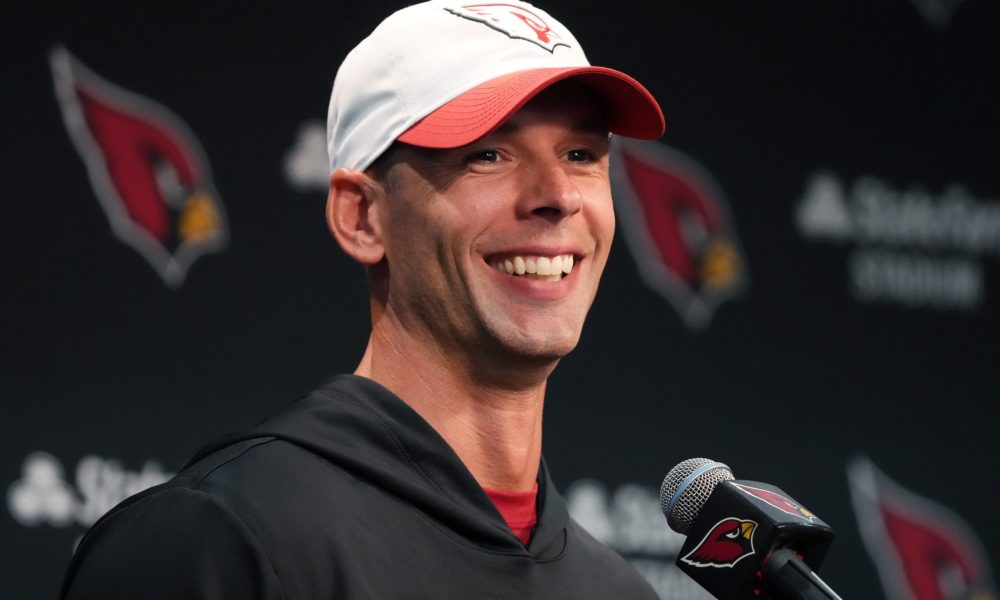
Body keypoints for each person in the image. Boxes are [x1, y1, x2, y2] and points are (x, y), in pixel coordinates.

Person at [61, 1, 665, 597]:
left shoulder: (618, 591)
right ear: (362, 217)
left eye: (581, 155)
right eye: (489, 154)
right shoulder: (218, 541)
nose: (558, 195)